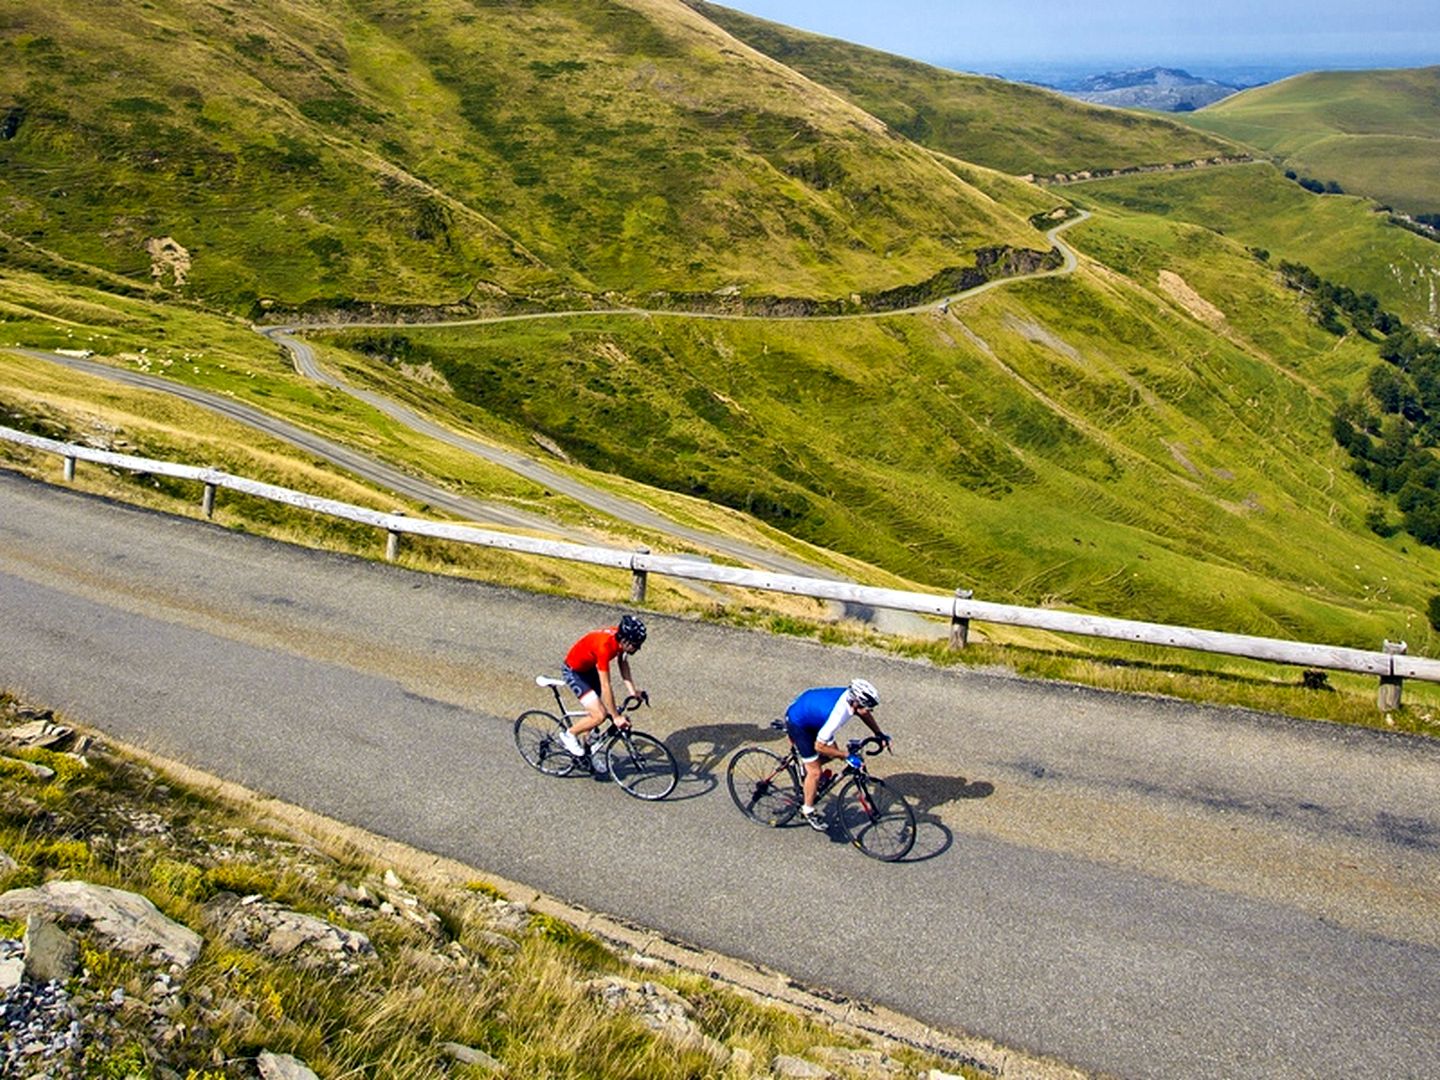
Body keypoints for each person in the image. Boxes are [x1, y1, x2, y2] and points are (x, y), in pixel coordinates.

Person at [784, 678, 889, 831]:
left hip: (815, 716)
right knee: (815, 772)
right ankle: (807, 810)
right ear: (855, 703)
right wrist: (846, 755)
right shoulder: (838, 714)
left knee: (833, 753)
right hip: (799, 723)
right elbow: (819, 747)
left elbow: (863, 713)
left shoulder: (851, 699)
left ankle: (809, 779)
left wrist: (879, 733)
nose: (870, 711)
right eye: (868, 707)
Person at [556, 614, 647, 770]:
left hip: (589, 668)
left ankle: (587, 754)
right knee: (599, 715)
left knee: (599, 714)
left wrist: (633, 691)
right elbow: (606, 686)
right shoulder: (604, 647)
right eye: (636, 645)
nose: (637, 648)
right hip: (574, 672)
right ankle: (569, 735)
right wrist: (616, 717)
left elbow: (623, 662)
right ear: (625, 640)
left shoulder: (620, 640)